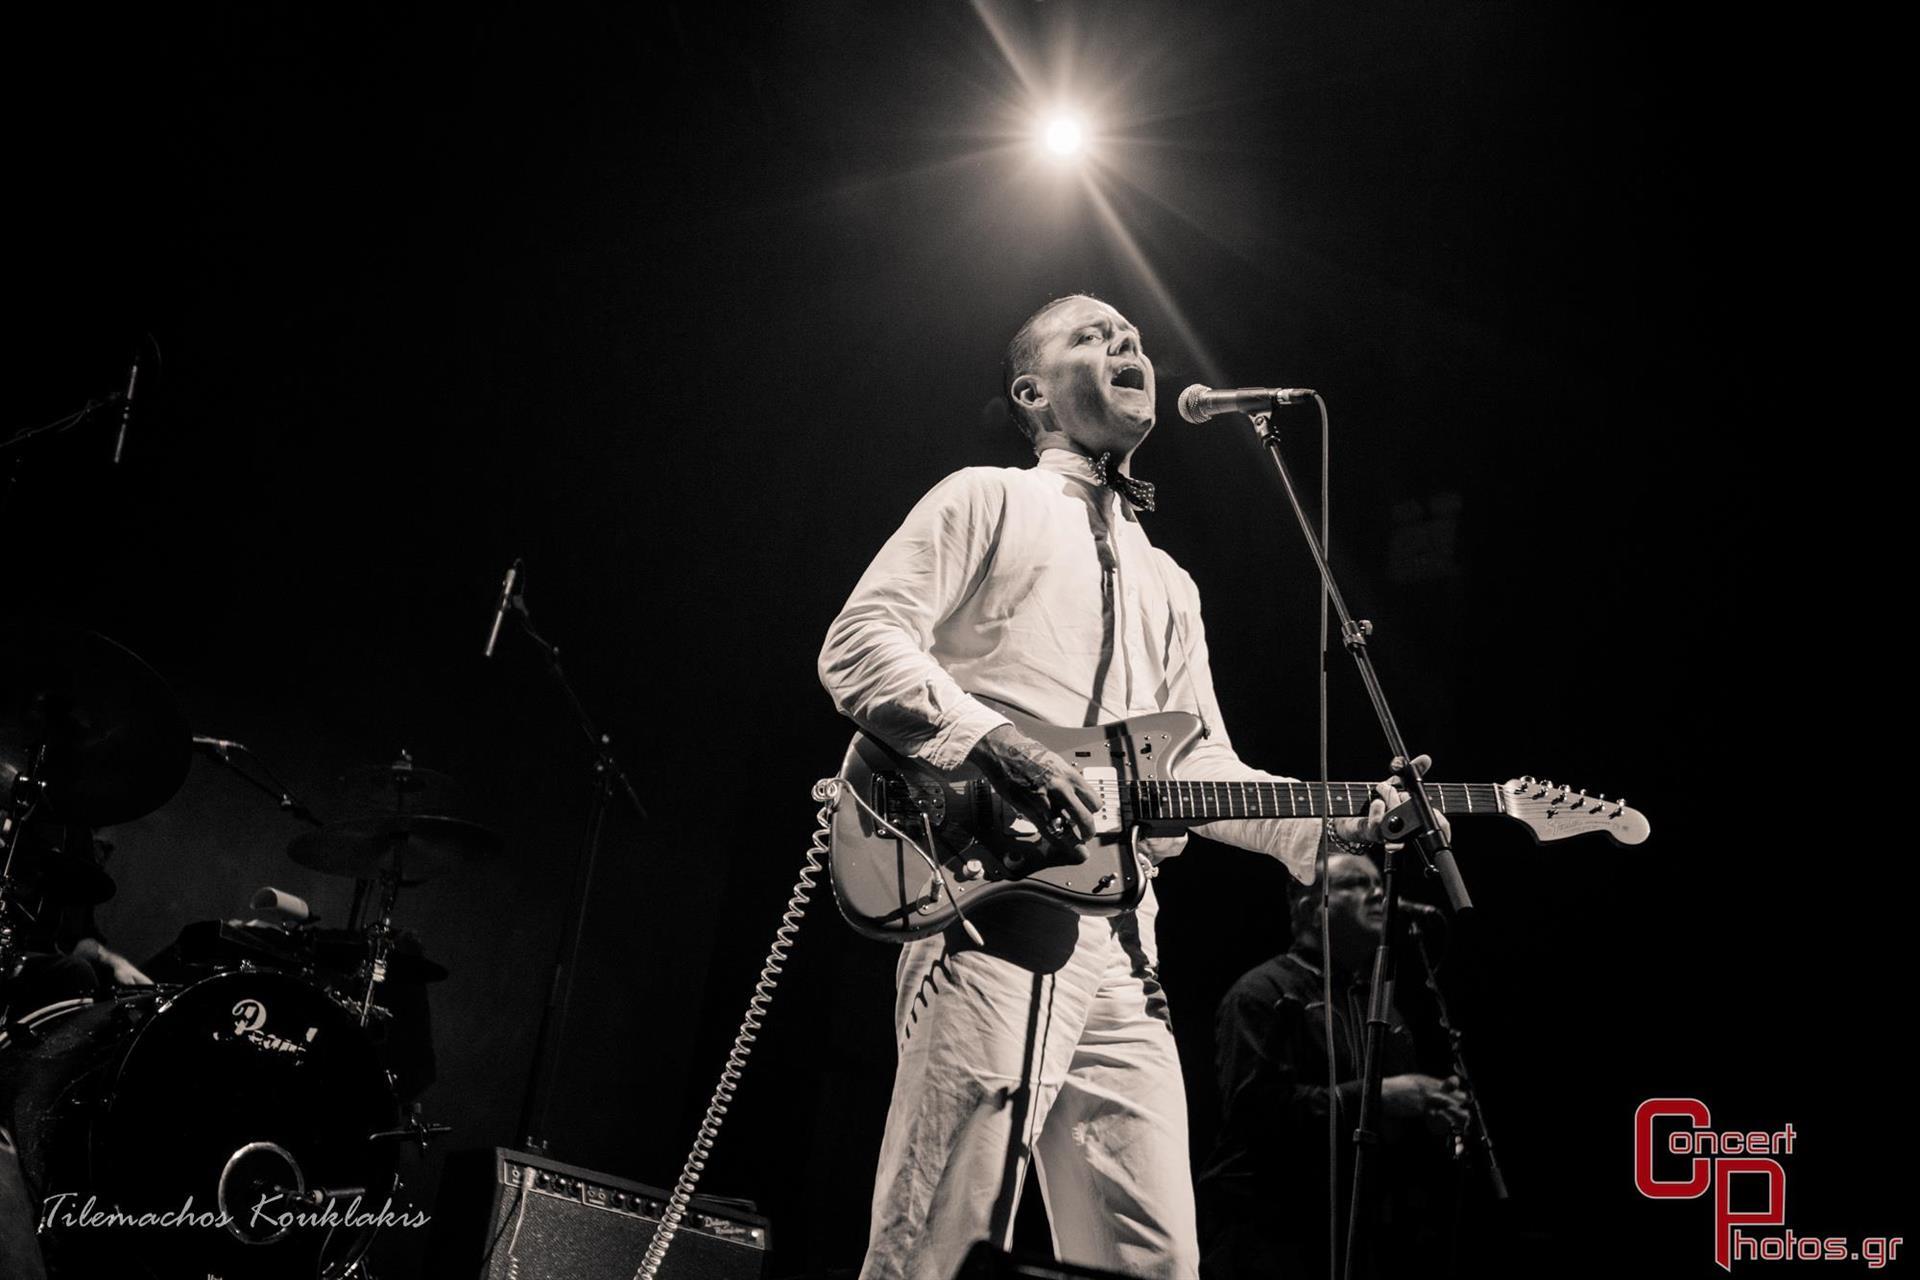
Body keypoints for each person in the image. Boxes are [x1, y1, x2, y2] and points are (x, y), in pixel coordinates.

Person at [818, 294, 1426, 1280]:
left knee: (1156, 1257)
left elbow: (1194, 769)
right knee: (944, 1232)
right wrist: (1004, 745)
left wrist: (1332, 818)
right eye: (1094, 335)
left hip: (1123, 942)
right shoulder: (987, 499)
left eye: (1135, 336)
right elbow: (861, 645)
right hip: (988, 904)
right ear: (1033, 393)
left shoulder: (1171, 582)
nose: (1128, 343)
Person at [1196, 851, 1468, 1279]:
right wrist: (1379, 1098)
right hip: (1270, 1238)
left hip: (1355, 1239)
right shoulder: (1262, 993)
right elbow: (1256, 1118)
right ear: (1312, 908)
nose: (1379, 892)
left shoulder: (1383, 1011)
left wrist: (1430, 1121)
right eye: (1357, 883)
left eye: (1379, 882)